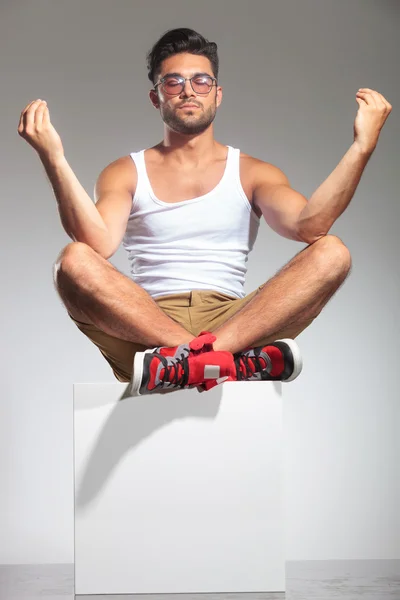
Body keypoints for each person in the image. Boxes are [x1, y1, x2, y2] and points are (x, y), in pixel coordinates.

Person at [18, 28, 392, 395]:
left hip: (234, 322)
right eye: (173, 82)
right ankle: (222, 360)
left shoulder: (252, 171)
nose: (188, 91)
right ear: (155, 97)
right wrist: (53, 157)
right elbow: (95, 243)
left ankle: (195, 359)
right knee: (72, 260)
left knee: (333, 252)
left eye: (201, 81)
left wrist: (362, 147)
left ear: (217, 94)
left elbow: (311, 226)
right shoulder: (126, 171)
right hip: (146, 327)